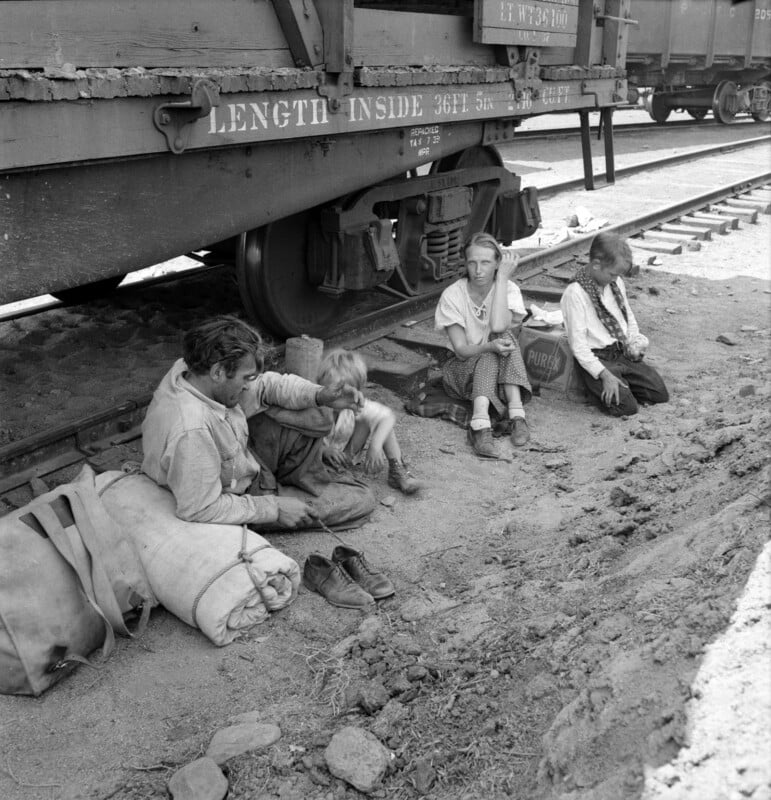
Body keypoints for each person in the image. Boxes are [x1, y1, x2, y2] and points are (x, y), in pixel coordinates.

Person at [141, 315, 373, 529]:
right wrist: (274, 508)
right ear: (218, 373)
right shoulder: (193, 430)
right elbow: (201, 508)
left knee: (311, 410)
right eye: (245, 378)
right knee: (361, 498)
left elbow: (267, 385)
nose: (247, 386)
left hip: (244, 462)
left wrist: (322, 394)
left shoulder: (190, 370)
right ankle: (288, 492)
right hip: (240, 495)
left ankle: (297, 482)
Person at [434, 232, 532, 459]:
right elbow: (460, 350)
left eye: (486, 263)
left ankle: (508, 419)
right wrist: (489, 347)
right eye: (472, 263)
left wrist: (502, 280)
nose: (478, 270)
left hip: (498, 378)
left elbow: (498, 325)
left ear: (498, 263)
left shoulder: (508, 289)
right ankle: (485, 425)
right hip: (461, 372)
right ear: (465, 264)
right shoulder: (453, 295)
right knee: (492, 348)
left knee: (503, 336)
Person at [560, 231, 669, 416]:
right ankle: (598, 387)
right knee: (627, 408)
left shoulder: (615, 282)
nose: (615, 279)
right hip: (597, 358)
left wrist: (633, 340)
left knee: (659, 393)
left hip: (619, 351)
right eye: (612, 274)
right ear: (596, 265)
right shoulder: (575, 293)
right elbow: (579, 347)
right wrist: (604, 375)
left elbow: (627, 316)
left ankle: (620, 383)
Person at [317, 349, 421, 495]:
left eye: (344, 393)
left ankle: (398, 470)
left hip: (344, 456)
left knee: (380, 421)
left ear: (356, 392)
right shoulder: (315, 404)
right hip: (316, 459)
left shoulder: (354, 403)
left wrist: (375, 446)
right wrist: (323, 450)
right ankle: (336, 473)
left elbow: (388, 416)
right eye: (332, 391)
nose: (336, 398)